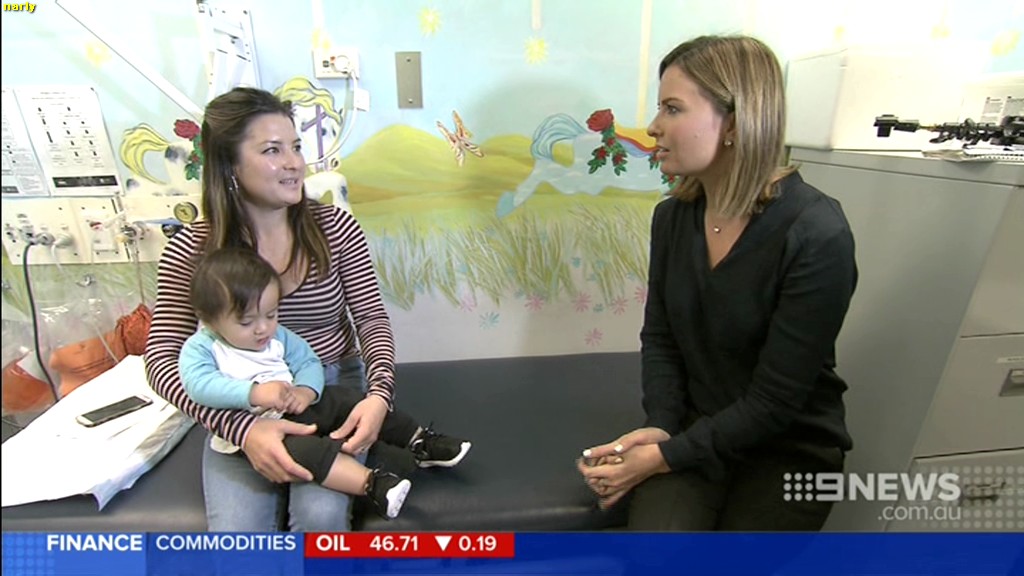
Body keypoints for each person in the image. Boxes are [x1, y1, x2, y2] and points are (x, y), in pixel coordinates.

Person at [144, 87, 470, 531]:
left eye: (295, 147)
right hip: (241, 403)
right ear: (229, 164)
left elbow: (371, 319)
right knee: (238, 535)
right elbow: (161, 360)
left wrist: (378, 398)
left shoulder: (335, 228)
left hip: (331, 389)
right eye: (272, 150)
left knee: (320, 517)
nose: (294, 163)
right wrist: (242, 430)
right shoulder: (191, 249)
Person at [577, 35, 857, 531]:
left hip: (787, 450)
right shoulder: (672, 218)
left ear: (734, 122)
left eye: (672, 108)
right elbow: (661, 338)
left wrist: (662, 458)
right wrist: (661, 427)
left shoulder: (816, 232)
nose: (654, 126)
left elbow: (775, 402)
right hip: (694, 430)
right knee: (658, 557)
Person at [180, 247, 473, 519]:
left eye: (271, 314)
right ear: (210, 320)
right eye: (246, 322)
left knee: (347, 399)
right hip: (254, 427)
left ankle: (419, 440)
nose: (263, 328)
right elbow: (198, 385)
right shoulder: (202, 347)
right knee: (308, 454)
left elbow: (307, 361)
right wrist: (254, 393)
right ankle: (374, 484)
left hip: (297, 407)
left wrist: (306, 391)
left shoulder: (277, 336)